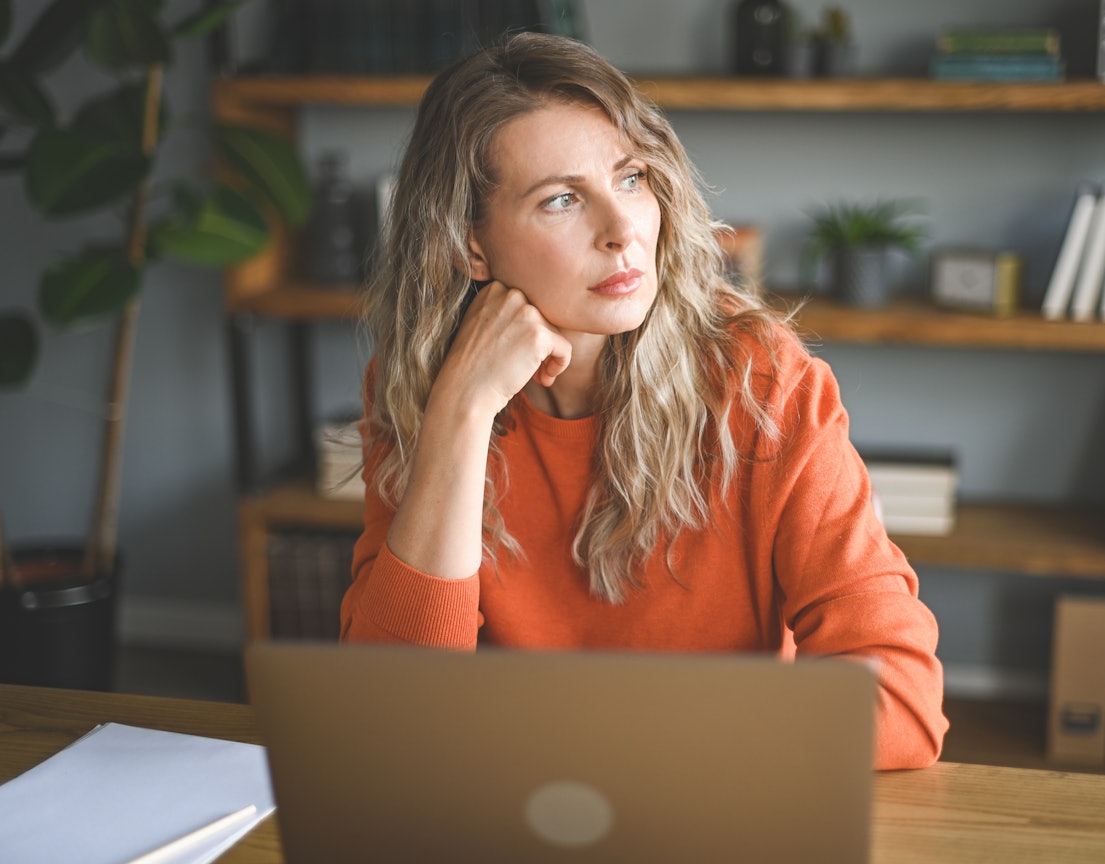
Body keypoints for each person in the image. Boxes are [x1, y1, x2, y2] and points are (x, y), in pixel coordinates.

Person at [341, 31, 948, 770]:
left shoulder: (762, 382)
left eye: (631, 179)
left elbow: (905, 702)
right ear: (471, 245)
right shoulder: (421, 390)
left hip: (708, 800)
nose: (623, 231)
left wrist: (632, 743)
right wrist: (460, 419)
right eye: (562, 200)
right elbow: (390, 716)